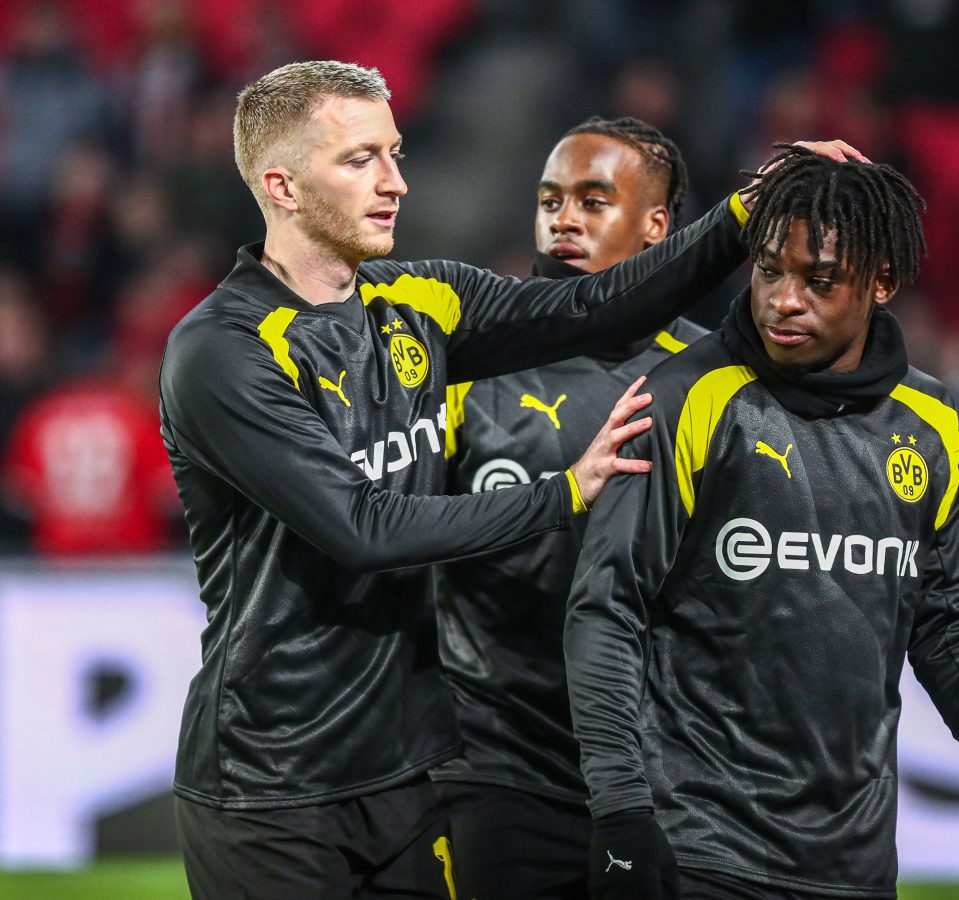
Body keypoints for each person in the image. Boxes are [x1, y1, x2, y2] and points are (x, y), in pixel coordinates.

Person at [159, 60, 863, 899]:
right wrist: (562, 493)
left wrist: (745, 213)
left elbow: (593, 307)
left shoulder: (419, 301)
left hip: (408, 768)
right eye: (359, 160)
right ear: (281, 186)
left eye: (395, 154)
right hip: (272, 784)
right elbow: (361, 528)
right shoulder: (224, 351)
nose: (394, 182)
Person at [564, 146, 959, 899]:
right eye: (768, 271)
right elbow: (605, 609)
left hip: (855, 864)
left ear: (881, 282)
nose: (783, 301)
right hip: (698, 847)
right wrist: (621, 808)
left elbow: (946, 618)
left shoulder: (930, 423)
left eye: (819, 280)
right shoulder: (684, 400)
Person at [433, 116, 704, 899]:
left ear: (656, 226)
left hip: (663, 770)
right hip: (495, 762)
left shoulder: (710, 379)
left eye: (593, 200)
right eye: (550, 200)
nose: (564, 220)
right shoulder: (466, 365)